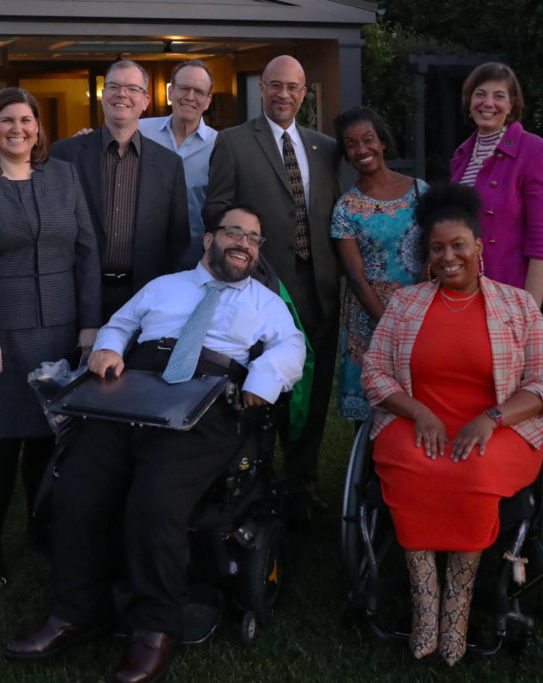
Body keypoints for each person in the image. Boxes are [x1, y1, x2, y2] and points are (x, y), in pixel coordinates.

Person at [4, 204, 305, 683]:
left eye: (253, 238)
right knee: (76, 489)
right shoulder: (163, 287)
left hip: (205, 405)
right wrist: (107, 347)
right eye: (233, 232)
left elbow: (291, 347)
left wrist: (264, 380)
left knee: (155, 501)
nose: (244, 243)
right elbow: (122, 324)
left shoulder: (264, 303)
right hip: (133, 392)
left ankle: (154, 626)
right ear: (208, 240)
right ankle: (78, 610)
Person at [362, 183, 543, 665]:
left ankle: (458, 603)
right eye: (437, 248)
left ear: (478, 246)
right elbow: (374, 371)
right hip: (417, 419)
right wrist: (418, 411)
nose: (448, 256)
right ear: (427, 255)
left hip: (500, 426)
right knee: (415, 464)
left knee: (473, 468)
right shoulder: (405, 303)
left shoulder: (518, 306)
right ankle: (425, 605)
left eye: (458, 245)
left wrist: (492, 417)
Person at [0, 87, 101, 589]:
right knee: (2, 444)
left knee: (43, 443)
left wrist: (90, 323)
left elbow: (87, 251)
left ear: (38, 129)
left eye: (27, 120)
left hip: (58, 330)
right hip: (0, 336)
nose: (18, 129)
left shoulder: (64, 175)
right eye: (7, 120)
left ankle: (38, 529)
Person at [205, 54, 340, 513]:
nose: (284, 94)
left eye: (294, 87)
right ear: (261, 89)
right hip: (262, 287)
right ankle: (254, 481)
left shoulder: (325, 147)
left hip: (319, 286)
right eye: (276, 85)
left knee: (313, 388)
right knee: (259, 384)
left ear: (305, 94)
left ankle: (302, 480)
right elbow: (216, 210)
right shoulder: (234, 142)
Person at [50, 59, 190, 321]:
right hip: (75, 294)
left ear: (146, 100)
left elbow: (177, 241)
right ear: (103, 96)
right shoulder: (65, 155)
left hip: (145, 297)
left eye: (132, 89)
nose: (122, 94)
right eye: (113, 86)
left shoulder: (169, 164)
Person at [330, 106, 426, 426]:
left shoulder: (419, 191)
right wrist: (389, 325)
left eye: (368, 139)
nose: (362, 150)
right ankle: (367, 471)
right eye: (351, 144)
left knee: (422, 395)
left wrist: (417, 309)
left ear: (382, 142)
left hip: (421, 310)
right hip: (369, 317)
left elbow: (433, 254)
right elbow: (355, 276)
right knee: (372, 407)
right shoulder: (345, 208)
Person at [450, 62, 543, 319]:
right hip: (466, 288)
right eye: (480, 94)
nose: (488, 103)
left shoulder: (533, 150)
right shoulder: (461, 155)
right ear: (469, 100)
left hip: (514, 290)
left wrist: (529, 310)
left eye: (499, 96)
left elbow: (542, 239)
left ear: (511, 105)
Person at [138, 59, 218, 266]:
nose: (190, 97)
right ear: (171, 92)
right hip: (142, 254)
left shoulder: (220, 146)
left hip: (196, 257)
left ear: (208, 100)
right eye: (184, 88)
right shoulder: (138, 131)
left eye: (199, 92)